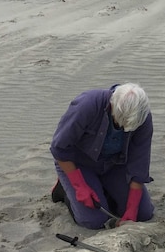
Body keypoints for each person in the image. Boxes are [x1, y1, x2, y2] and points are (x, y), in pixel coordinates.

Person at [50, 83, 156, 229]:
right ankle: (64, 190)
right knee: (94, 221)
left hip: (115, 164)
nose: (125, 129)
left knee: (143, 214)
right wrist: (79, 186)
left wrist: (131, 210)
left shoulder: (143, 117)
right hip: (79, 164)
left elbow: (139, 165)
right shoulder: (87, 105)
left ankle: (103, 189)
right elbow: (59, 148)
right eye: (122, 124)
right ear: (113, 106)